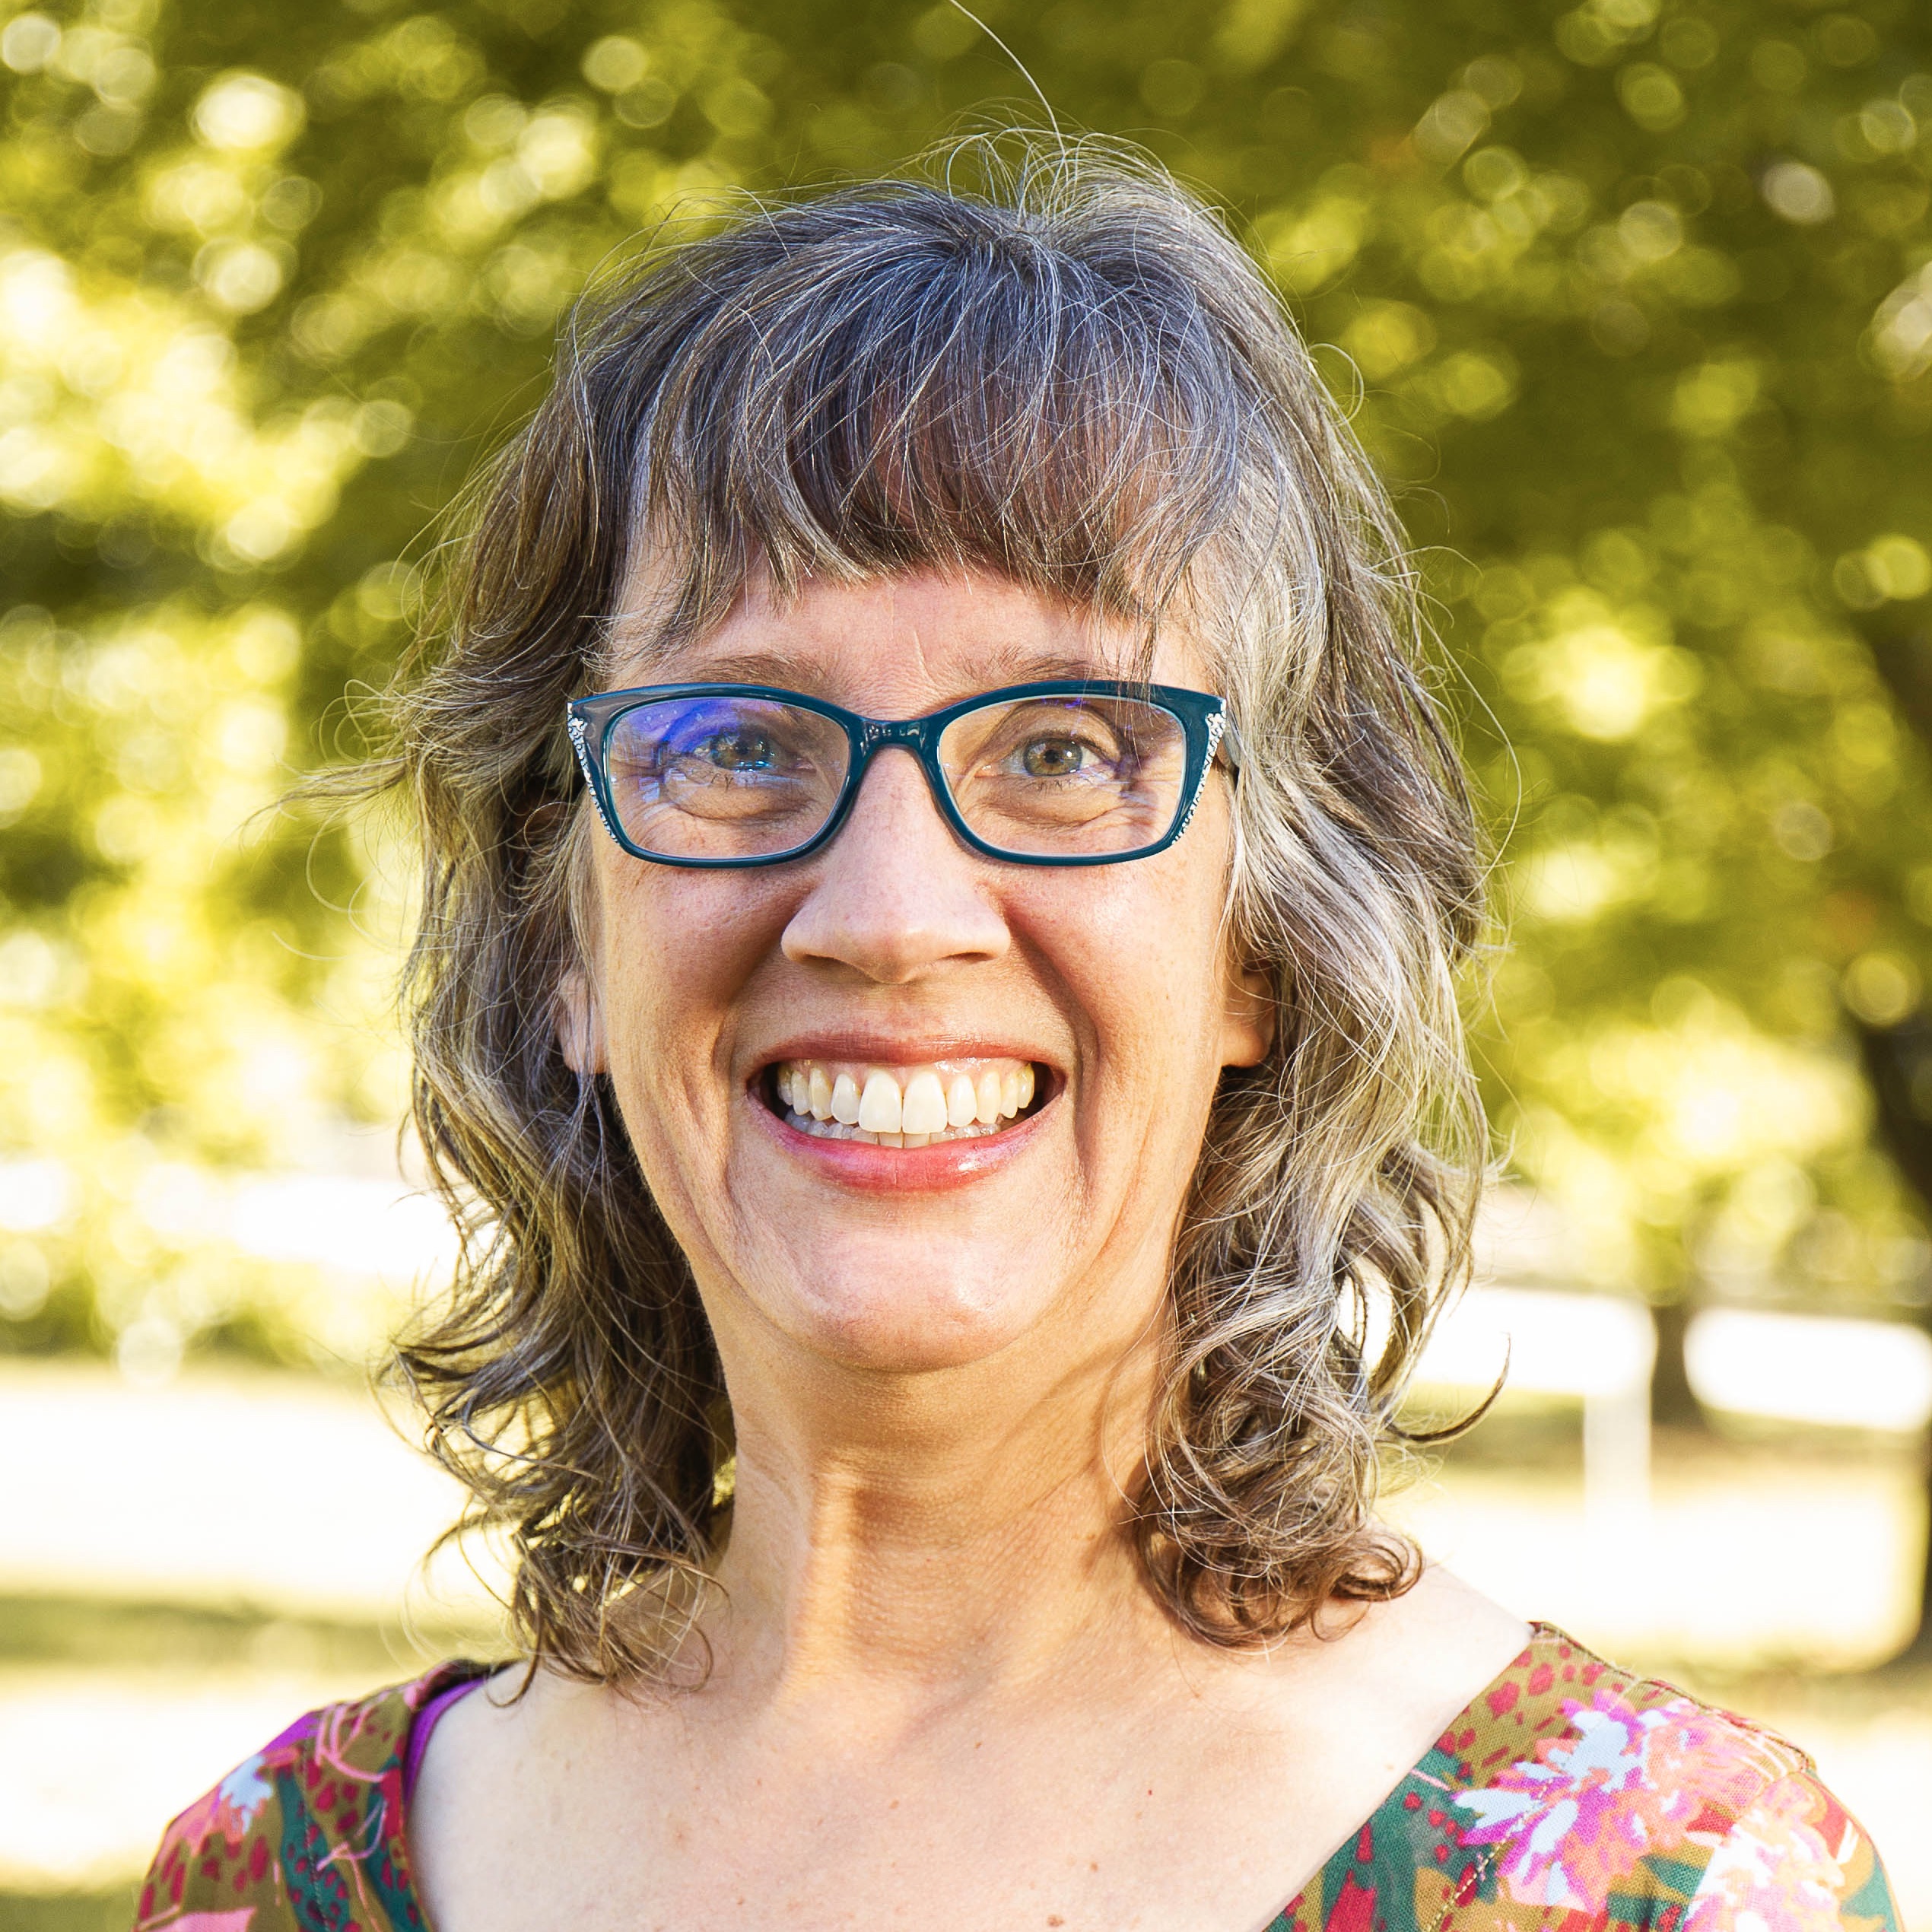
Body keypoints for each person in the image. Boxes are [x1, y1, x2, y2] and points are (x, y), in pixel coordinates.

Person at [136, 145, 1899, 1932]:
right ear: (561, 945)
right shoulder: (278, 1878)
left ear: (1261, 947)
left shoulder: (1650, 1888)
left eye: (1063, 750)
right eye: (740, 743)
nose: (892, 915)